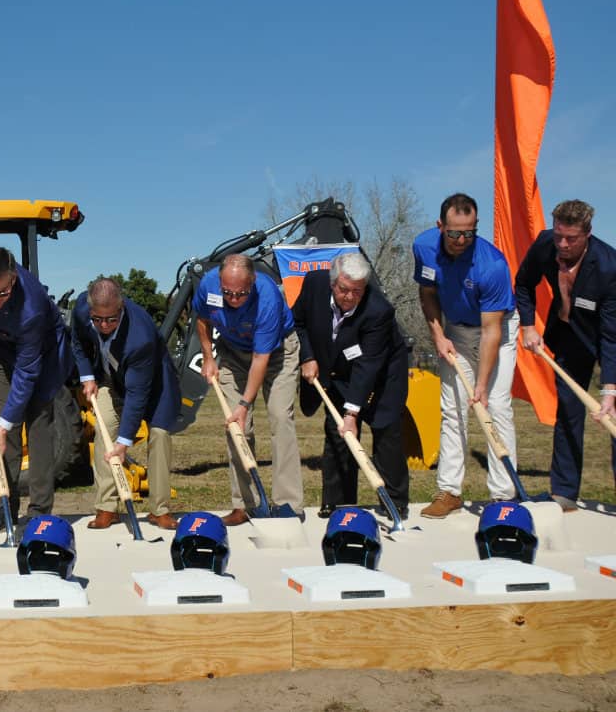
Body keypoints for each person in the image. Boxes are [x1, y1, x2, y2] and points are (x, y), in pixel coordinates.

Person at [413, 192, 519, 518]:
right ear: (440, 226)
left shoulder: (492, 266)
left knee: (495, 407)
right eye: (455, 232)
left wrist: (482, 385)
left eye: (469, 232)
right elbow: (427, 291)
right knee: (453, 409)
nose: (461, 239)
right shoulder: (424, 246)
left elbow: (491, 333)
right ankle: (449, 492)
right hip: (455, 330)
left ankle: (503, 497)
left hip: (496, 331)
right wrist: (438, 334)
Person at [514, 199, 616, 510]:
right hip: (569, 338)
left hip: (607, 336)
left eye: (571, 238)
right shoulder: (545, 244)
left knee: (614, 415)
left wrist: (609, 389)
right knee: (569, 412)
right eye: (559, 235)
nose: (562, 243)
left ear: (588, 234)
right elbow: (523, 284)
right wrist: (529, 326)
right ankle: (565, 493)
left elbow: (612, 336)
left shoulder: (609, 267)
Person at [291, 252, 411, 518]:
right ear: (333, 283)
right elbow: (296, 322)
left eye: (357, 292)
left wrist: (352, 413)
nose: (349, 297)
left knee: (385, 430)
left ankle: (395, 502)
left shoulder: (379, 311)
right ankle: (339, 503)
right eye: (344, 289)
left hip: (384, 374)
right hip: (337, 370)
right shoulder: (313, 284)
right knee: (339, 435)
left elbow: (367, 366)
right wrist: (307, 356)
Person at [0, 247, 71, 534]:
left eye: (3, 294)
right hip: (2, 351)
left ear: (13, 279)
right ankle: (6, 506)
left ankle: (38, 514)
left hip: (42, 360)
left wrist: (4, 424)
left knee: (37, 427)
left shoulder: (31, 308)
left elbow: (27, 373)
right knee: (4, 434)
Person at [193, 254, 303, 526]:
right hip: (234, 353)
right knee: (237, 427)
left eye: (240, 293)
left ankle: (288, 503)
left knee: (279, 417)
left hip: (277, 353)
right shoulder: (208, 286)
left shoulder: (267, 298)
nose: (233, 299)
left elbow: (260, 359)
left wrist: (245, 404)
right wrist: (208, 356)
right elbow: (202, 319)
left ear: (252, 282)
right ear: (219, 281)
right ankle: (245, 504)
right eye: (227, 292)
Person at [72, 276, 181, 530]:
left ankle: (159, 510)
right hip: (111, 379)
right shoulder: (81, 310)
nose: (105, 325)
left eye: (111, 319)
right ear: (90, 310)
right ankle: (107, 507)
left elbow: (137, 396)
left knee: (160, 435)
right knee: (103, 429)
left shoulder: (140, 336)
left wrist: (124, 443)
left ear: (121, 308)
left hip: (155, 385)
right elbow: (78, 344)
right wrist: (87, 376)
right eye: (98, 319)